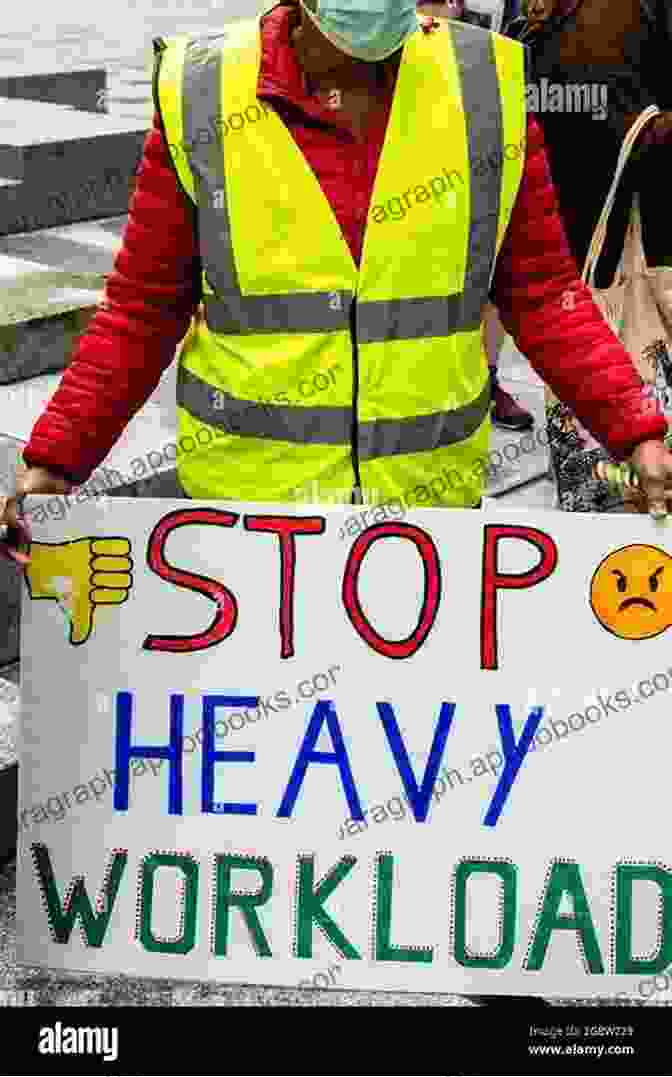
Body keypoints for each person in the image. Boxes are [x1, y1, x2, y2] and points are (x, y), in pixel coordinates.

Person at [2, 0, 672, 571]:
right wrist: (58, 458)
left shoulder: (483, 85)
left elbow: (541, 289)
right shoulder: (203, 91)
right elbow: (142, 307)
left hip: (428, 520)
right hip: (248, 528)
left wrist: (636, 430)